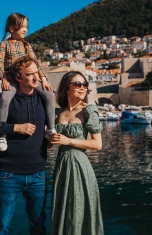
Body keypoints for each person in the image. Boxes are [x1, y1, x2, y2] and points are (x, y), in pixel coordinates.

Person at [0, 56, 48, 235]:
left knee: (38, 227)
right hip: (8, 175)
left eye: (36, 73)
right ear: (18, 77)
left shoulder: (43, 100)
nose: (36, 78)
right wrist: (15, 128)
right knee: (1, 228)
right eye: (30, 74)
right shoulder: (6, 99)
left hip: (39, 175)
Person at [49, 71, 104, 235]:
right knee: (64, 211)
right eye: (78, 84)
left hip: (80, 167)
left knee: (79, 211)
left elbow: (97, 144)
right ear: (66, 88)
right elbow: (49, 146)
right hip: (62, 166)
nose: (83, 88)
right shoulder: (57, 113)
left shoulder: (88, 110)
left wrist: (69, 141)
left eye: (85, 84)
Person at [0, 12, 57, 151]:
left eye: (26, 27)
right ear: (12, 28)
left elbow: (36, 63)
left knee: (49, 94)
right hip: (11, 80)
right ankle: (2, 135)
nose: (25, 30)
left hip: (30, 79)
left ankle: (51, 129)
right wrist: (4, 79)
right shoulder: (4, 44)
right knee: (5, 99)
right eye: (22, 27)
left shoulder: (26, 45)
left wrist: (44, 79)